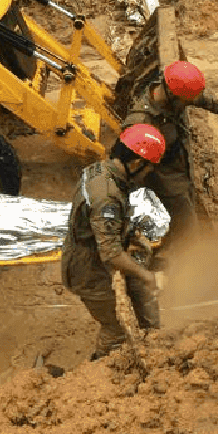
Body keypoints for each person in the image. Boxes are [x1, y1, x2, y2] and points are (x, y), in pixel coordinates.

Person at [61, 123, 166, 359]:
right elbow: (111, 253)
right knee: (116, 330)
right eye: (149, 167)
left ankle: (152, 340)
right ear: (136, 163)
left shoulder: (101, 170)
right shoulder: (106, 197)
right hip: (88, 269)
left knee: (141, 293)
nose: (149, 174)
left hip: (96, 252)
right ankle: (101, 369)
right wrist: (147, 276)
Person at [120, 60, 218, 249]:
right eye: (186, 101)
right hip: (165, 183)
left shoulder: (172, 93)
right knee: (186, 232)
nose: (189, 103)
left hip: (181, 167)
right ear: (172, 95)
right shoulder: (141, 123)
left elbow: (202, 98)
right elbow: (128, 170)